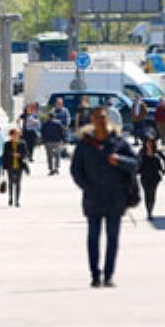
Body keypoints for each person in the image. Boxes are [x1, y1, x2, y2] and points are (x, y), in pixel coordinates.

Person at [71, 108, 138, 288]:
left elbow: (135, 163)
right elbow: (75, 170)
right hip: (93, 199)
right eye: (96, 119)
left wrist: (120, 160)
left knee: (113, 238)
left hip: (115, 198)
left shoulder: (119, 142)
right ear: (92, 122)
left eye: (102, 118)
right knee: (93, 237)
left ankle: (108, 275)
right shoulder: (85, 144)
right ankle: (95, 275)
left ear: (107, 119)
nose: (100, 121)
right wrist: (87, 186)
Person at [137, 139, 165, 220]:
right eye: (147, 142)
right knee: (147, 194)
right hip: (144, 176)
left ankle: (151, 210)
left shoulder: (157, 152)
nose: (149, 144)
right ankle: (149, 212)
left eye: (151, 142)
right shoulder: (141, 152)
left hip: (155, 177)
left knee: (152, 194)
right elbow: (136, 161)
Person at [1, 127, 30, 206]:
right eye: (13, 135)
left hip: (19, 166)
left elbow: (26, 154)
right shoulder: (6, 144)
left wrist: (20, 155)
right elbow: (4, 156)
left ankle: (17, 201)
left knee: (18, 183)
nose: (15, 136)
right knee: (10, 183)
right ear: (10, 135)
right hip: (10, 166)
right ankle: (10, 198)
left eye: (17, 134)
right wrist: (3, 168)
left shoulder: (22, 143)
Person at [41, 102, 69, 175]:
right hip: (57, 141)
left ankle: (51, 169)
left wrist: (43, 140)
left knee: (49, 156)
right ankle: (56, 168)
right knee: (57, 155)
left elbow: (42, 132)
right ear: (54, 117)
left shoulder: (45, 124)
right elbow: (62, 131)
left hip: (48, 142)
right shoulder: (59, 123)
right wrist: (63, 139)